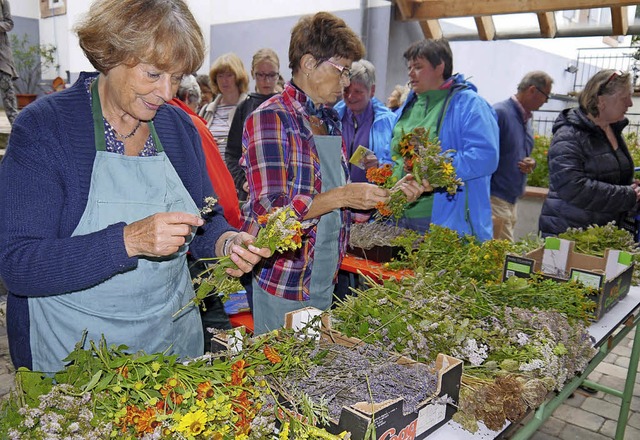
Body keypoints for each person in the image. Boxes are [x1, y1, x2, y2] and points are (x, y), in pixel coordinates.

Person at [0, 0, 269, 373]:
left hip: (170, 346)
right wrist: (128, 241)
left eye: (177, 78)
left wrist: (228, 244)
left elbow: (206, 220)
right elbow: (19, 265)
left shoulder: (178, 128)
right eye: (153, 74)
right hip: (75, 358)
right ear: (111, 54)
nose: (166, 92)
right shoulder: (46, 128)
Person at [240, 12, 426, 334]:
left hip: (324, 276)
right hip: (286, 282)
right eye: (341, 72)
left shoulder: (328, 120)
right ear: (310, 63)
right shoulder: (271, 119)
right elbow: (273, 213)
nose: (346, 84)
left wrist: (385, 197)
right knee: (277, 375)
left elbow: (336, 209)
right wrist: (343, 195)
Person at [392, 38, 499, 240]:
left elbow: (485, 156)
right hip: (400, 215)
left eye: (418, 66)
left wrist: (432, 171)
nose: (410, 73)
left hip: (445, 221)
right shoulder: (409, 105)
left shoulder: (470, 105)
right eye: (409, 67)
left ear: (440, 66)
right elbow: (394, 152)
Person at [539, 69, 638, 237]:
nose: (630, 103)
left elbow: (613, 178)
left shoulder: (612, 129)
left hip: (599, 233)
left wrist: (633, 190)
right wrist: (627, 194)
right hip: (570, 235)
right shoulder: (569, 134)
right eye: (624, 97)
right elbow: (572, 187)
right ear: (602, 101)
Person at [491, 71, 553, 241]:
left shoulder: (525, 119)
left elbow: (517, 152)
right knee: (501, 257)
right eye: (546, 95)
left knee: (500, 255)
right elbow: (485, 154)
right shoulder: (500, 113)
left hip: (510, 200)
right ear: (532, 90)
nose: (546, 101)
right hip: (495, 198)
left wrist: (530, 162)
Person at [226, 48, 281, 201]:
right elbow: (232, 152)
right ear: (252, 73)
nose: (266, 81)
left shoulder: (287, 107)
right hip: (251, 190)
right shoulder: (244, 108)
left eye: (271, 75)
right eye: (261, 75)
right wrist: (242, 181)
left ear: (278, 74)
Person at [333, 59, 395, 183]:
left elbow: (396, 162)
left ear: (371, 91)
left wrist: (380, 166)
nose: (350, 96)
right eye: (346, 90)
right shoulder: (333, 117)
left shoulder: (388, 121)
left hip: (371, 197)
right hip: (338, 195)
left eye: (357, 91)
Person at [200, 53, 248, 160]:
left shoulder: (250, 108)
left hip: (239, 174)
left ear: (239, 77)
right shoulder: (206, 111)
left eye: (229, 75)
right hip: (213, 172)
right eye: (220, 76)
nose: (224, 80)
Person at [0, 0, 18, 125]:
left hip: (1, 57)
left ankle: (18, 128)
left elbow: (9, 23)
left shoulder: (3, 2)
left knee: (8, 95)